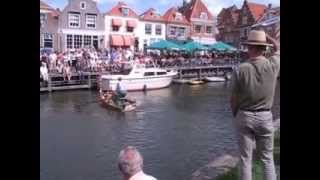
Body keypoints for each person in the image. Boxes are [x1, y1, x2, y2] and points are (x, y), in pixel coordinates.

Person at [230, 30, 280, 180]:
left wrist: (236, 114)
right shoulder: (273, 65)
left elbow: (233, 99)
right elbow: (279, 48)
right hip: (265, 116)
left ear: (249, 47)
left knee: (245, 159)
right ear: (264, 48)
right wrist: (270, 38)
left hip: (244, 115)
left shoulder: (240, 69)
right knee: (267, 158)